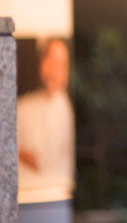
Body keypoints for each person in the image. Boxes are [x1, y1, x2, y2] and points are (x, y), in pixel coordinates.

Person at [17, 38, 75, 207]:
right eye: (50, 59)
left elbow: (54, 166)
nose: (54, 69)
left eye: (61, 63)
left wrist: (33, 160)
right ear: (41, 62)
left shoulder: (66, 110)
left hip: (52, 201)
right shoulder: (23, 106)